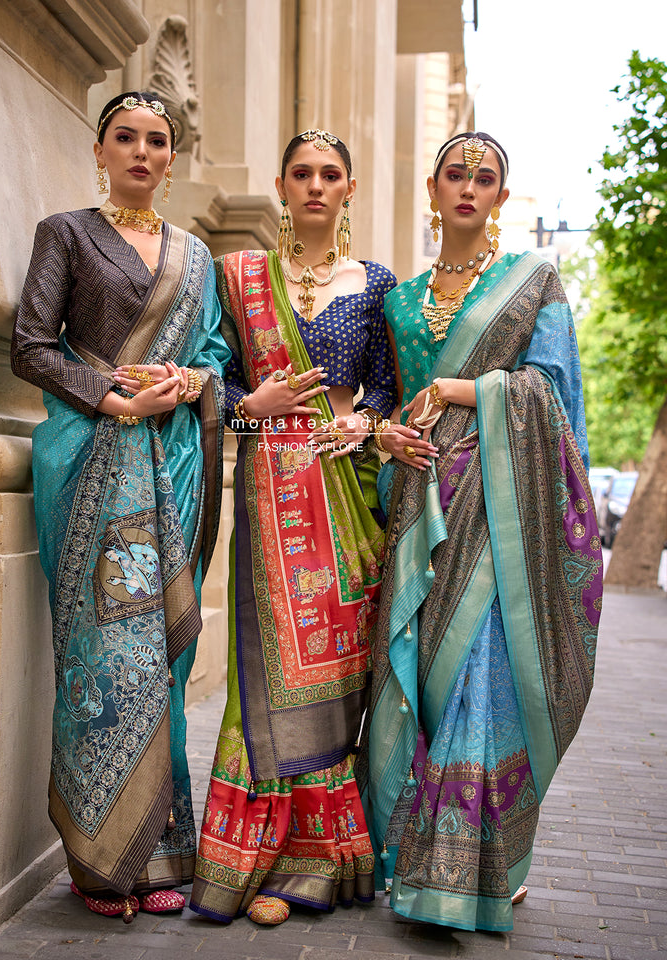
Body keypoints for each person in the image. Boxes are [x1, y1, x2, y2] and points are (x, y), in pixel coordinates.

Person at [358, 132, 602, 932]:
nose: (468, 186)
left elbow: (555, 397)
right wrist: (387, 434)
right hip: (417, 500)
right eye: (456, 174)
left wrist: (463, 387)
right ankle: (409, 847)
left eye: (485, 177)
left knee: (479, 669)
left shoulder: (534, 281)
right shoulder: (397, 300)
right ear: (432, 186)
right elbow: (392, 403)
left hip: (500, 507)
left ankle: (471, 866)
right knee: (419, 667)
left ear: (501, 195)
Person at [11, 91, 229, 922]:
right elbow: (30, 345)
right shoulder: (65, 233)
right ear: (100, 149)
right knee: (101, 663)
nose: (142, 151)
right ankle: (99, 864)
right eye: (126, 137)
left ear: (174, 158)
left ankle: (161, 851)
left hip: (169, 462)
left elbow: (211, 352)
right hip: (91, 460)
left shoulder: (197, 256)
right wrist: (111, 397)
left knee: (160, 667)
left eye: (158, 140)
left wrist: (186, 381)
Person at [188, 129, 406, 926]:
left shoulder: (377, 282)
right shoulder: (240, 277)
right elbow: (216, 378)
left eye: (331, 174)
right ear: (282, 186)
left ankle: (318, 856)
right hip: (269, 485)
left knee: (335, 666)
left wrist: (364, 426)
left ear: (349, 188)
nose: (316, 185)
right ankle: (254, 855)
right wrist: (252, 409)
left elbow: (387, 386)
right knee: (265, 665)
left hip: (348, 494)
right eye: (303, 173)